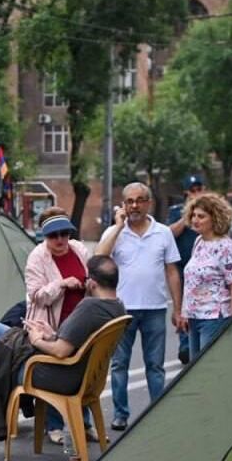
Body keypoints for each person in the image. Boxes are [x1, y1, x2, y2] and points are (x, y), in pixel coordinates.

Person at [0, 256, 124, 453]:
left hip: (56, 375)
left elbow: (61, 351)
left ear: (93, 283)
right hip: (76, 374)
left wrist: (37, 340)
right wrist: (51, 334)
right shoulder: (117, 308)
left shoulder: (91, 306)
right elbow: (74, 344)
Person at [95, 181, 182, 432]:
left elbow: (172, 272)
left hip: (155, 308)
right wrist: (118, 226)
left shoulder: (163, 232)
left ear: (148, 203)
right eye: (129, 201)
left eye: (139, 200)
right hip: (122, 309)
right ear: (123, 205)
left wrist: (178, 308)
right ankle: (121, 414)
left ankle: (157, 410)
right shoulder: (115, 232)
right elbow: (98, 258)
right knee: (119, 364)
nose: (134, 205)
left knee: (155, 365)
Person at [23, 209, 94, 444]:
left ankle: (84, 423)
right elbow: (36, 296)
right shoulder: (37, 257)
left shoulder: (80, 250)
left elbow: (93, 278)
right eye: (54, 236)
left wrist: (89, 284)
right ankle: (53, 425)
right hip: (50, 325)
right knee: (56, 371)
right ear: (46, 237)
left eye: (65, 233)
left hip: (81, 322)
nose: (61, 240)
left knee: (83, 371)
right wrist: (61, 284)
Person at [181, 193, 232, 360]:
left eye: (201, 216)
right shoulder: (199, 242)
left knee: (208, 366)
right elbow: (191, 281)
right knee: (194, 367)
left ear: (215, 218)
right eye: (193, 215)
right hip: (194, 317)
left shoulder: (225, 246)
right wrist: (184, 312)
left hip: (214, 318)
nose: (195, 220)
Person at [167, 175, 207, 363]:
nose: (196, 193)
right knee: (184, 308)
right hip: (183, 268)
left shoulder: (209, 211)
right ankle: (185, 345)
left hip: (205, 270)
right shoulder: (176, 211)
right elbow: (171, 234)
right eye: (193, 190)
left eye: (199, 189)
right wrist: (187, 215)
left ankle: (200, 343)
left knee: (202, 307)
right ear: (186, 193)